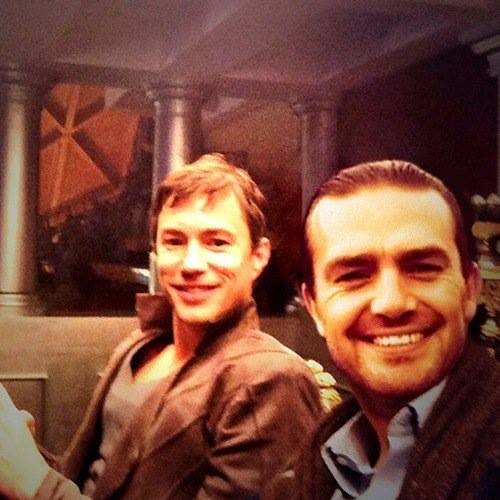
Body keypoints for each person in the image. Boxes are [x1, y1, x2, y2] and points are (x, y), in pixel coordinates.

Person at [0, 154, 322, 499]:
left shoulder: (273, 381)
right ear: (155, 255)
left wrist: (35, 482)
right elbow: (94, 483)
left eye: (217, 242)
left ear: (258, 257)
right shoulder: (141, 345)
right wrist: (21, 452)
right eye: (174, 242)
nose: (192, 263)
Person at [276, 160, 499, 499]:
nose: (392, 303)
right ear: (315, 307)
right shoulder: (317, 467)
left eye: (422, 268)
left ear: (470, 290)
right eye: (353, 276)